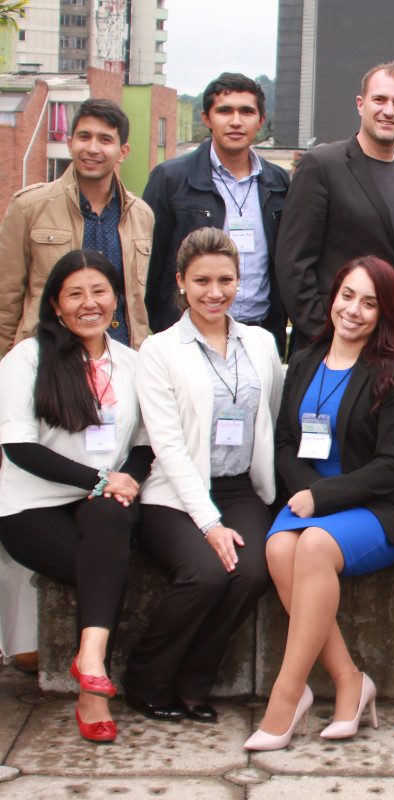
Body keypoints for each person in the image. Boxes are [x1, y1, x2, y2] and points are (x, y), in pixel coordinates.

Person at [245, 256, 394, 751]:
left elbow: (391, 466)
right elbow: (284, 442)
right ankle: (349, 680)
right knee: (279, 548)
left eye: (370, 303)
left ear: (384, 313)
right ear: (333, 297)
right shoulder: (303, 360)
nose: (354, 310)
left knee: (314, 545)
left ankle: (286, 695)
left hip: (374, 508)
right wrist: (308, 492)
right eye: (347, 295)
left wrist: (321, 497)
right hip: (309, 501)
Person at [124, 228, 283, 722]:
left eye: (226, 280)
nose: (215, 292)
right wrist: (209, 524)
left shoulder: (261, 342)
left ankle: (194, 682)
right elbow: (167, 445)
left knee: (252, 572)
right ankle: (146, 680)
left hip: (239, 488)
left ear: (239, 280)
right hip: (175, 493)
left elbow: (271, 416)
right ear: (180, 282)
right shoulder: (159, 350)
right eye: (202, 281)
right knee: (206, 574)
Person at [0, 250, 152, 743]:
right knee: (105, 561)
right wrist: (103, 480)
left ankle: (90, 669)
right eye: (75, 294)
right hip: (31, 506)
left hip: (101, 504)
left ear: (117, 299)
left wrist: (122, 480)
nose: (90, 303)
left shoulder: (132, 362)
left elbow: (144, 445)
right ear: (56, 305)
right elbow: (19, 447)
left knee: (110, 524)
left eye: (99, 291)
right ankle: (93, 687)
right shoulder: (28, 358)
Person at [276, 61, 394, 351]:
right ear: (361, 104)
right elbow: (293, 263)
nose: (389, 110)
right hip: (332, 346)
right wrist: (326, 334)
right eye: (379, 99)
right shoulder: (322, 165)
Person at [144, 73, 290, 354]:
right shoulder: (171, 179)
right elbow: (151, 266)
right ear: (206, 118)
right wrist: (165, 327)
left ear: (261, 120)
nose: (236, 121)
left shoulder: (279, 182)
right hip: (188, 337)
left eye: (246, 111)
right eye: (225, 111)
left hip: (258, 335)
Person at [0, 98, 152, 354]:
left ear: (123, 152)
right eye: (84, 137)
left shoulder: (141, 216)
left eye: (105, 140)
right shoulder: (29, 207)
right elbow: (6, 301)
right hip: (49, 360)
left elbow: (136, 303)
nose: (92, 148)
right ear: (70, 143)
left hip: (121, 361)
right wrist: (8, 364)